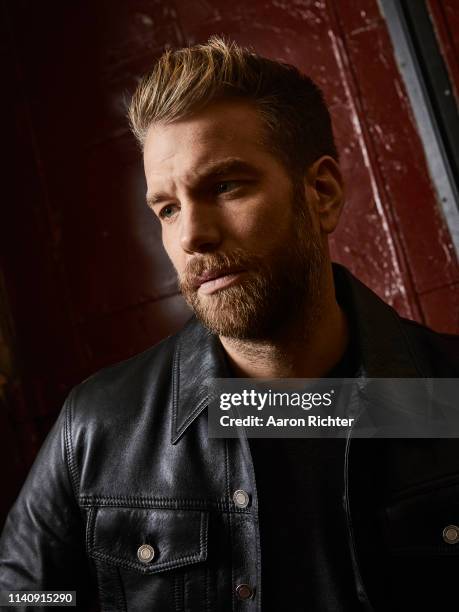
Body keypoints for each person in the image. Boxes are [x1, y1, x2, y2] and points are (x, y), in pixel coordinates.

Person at [1, 36, 458, 611]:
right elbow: (23, 600)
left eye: (224, 186)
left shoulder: (448, 398)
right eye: (167, 208)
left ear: (322, 194)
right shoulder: (97, 428)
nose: (192, 236)